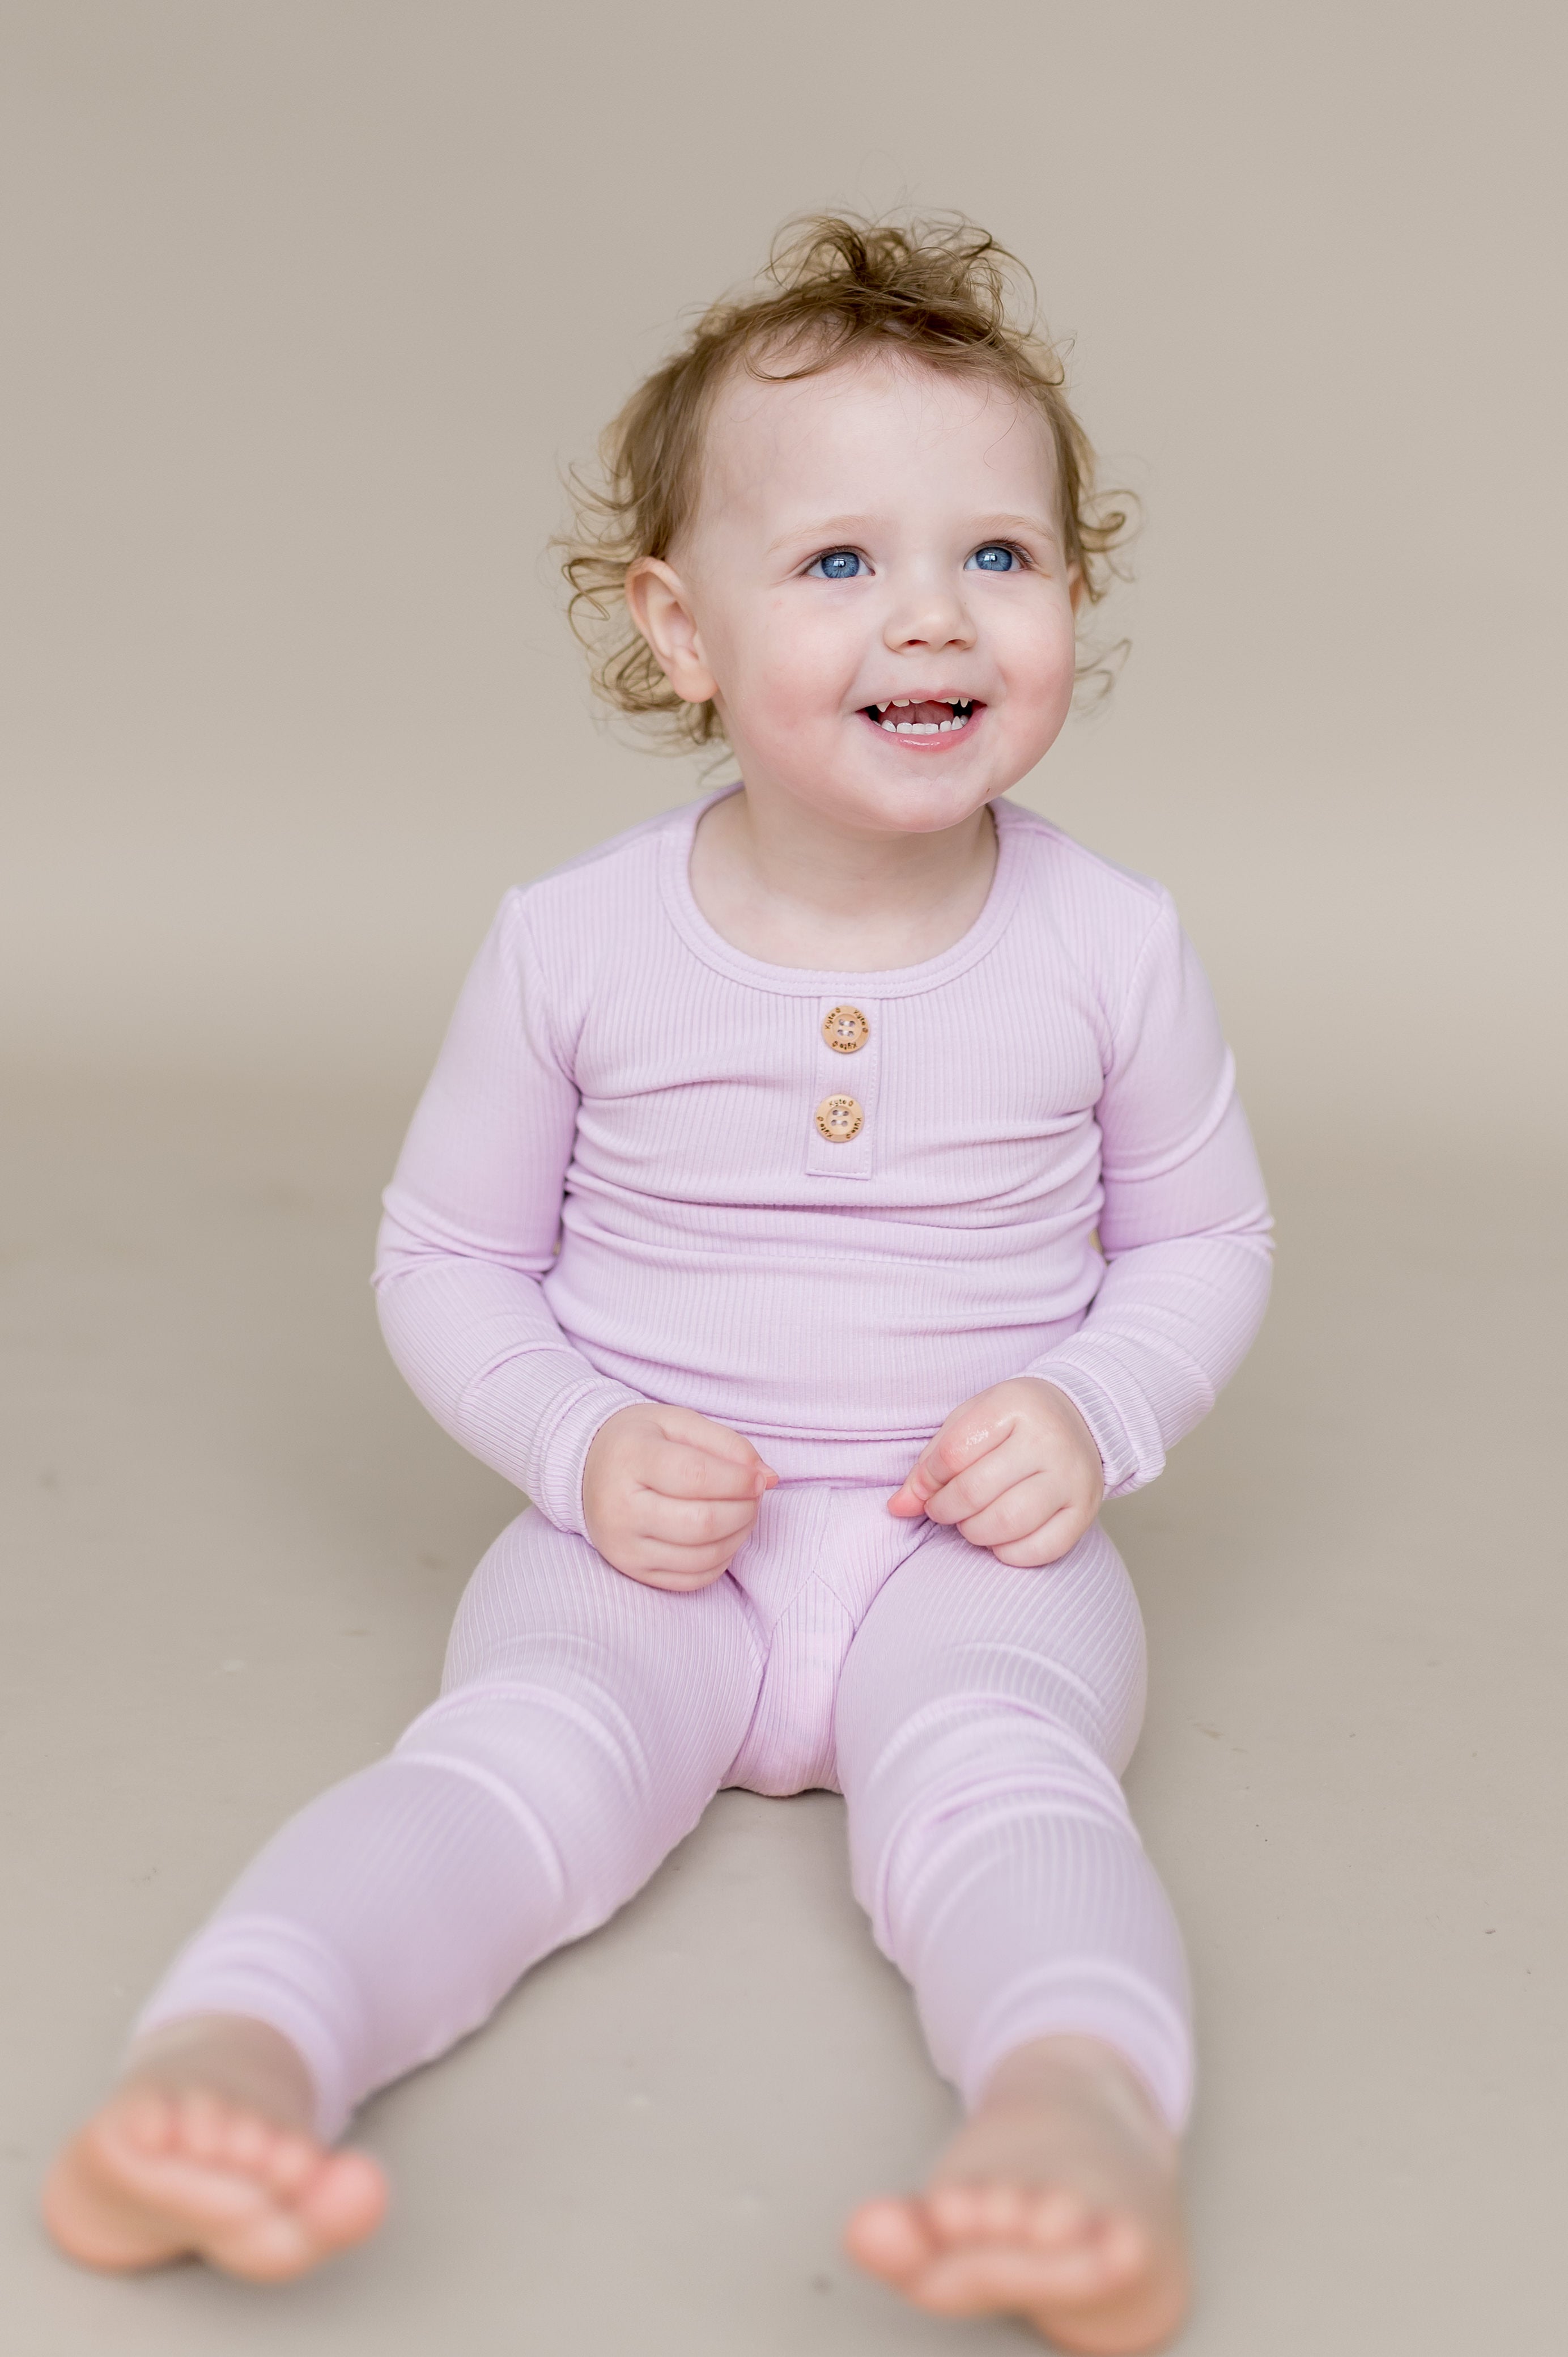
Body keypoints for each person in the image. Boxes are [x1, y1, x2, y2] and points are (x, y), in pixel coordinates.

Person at [44, 216, 1272, 2352]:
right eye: (836, 566)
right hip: (642, 1547)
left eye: (1000, 554)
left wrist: (1094, 1414)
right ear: (675, 627)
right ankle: (232, 2054)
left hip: (970, 1554)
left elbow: (1203, 1242)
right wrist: (582, 1442)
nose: (933, 615)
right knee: (508, 1765)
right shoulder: (575, 945)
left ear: (1075, 594)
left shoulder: (1113, 947)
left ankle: (1078, 2123)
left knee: (1011, 1790)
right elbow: (449, 1258)